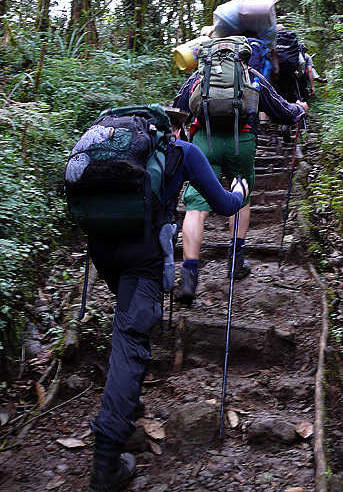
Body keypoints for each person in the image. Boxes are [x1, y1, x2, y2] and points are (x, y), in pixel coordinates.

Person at [86, 110, 248, 492]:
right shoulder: (182, 151)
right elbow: (223, 205)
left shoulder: (111, 147)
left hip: (102, 247)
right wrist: (240, 189)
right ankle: (106, 462)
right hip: (142, 253)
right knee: (131, 340)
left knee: (128, 325)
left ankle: (128, 403)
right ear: (171, 128)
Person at [173, 61, 308, 304]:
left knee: (196, 205)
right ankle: (236, 261)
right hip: (242, 141)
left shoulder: (198, 75)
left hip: (205, 142)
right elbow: (281, 110)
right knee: (241, 194)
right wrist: (299, 109)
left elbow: (177, 110)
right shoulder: (249, 74)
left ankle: (189, 275)